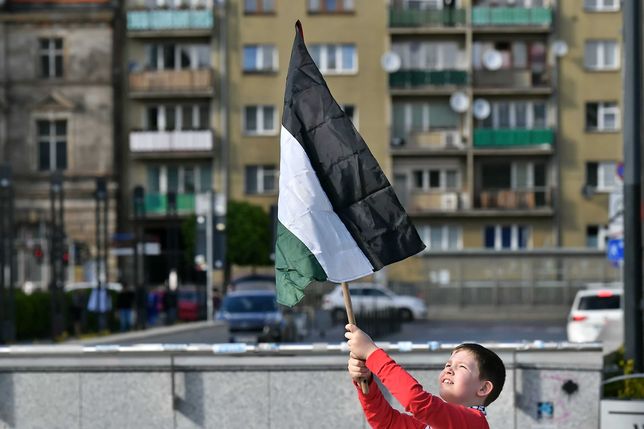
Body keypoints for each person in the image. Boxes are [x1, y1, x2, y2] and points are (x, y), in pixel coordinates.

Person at [345, 324, 505, 429]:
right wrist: (365, 381)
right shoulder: (431, 425)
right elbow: (386, 422)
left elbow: (415, 401)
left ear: (483, 388)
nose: (449, 369)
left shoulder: (474, 423)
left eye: (461, 367)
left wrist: (372, 353)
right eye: (448, 364)